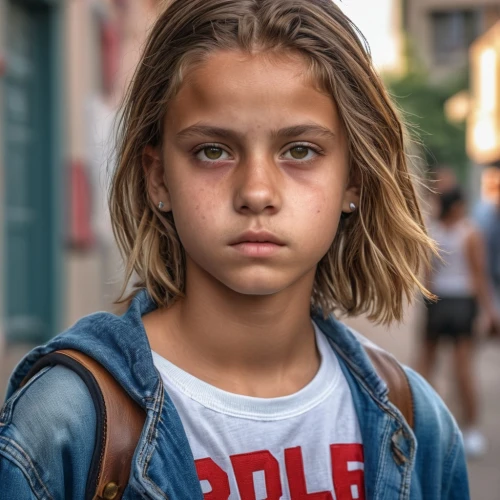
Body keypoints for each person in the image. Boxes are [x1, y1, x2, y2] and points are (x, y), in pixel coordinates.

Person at [0, 1, 468, 498]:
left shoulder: (416, 420)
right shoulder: (66, 424)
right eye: (213, 151)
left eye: (300, 150)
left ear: (352, 179)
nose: (257, 193)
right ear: (158, 177)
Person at [418, 185, 498, 459]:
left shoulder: (433, 231)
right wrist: (490, 311)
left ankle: (418, 421)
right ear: (458, 207)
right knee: (462, 368)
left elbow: (427, 274)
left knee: (426, 364)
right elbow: (480, 275)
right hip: (462, 302)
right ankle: (471, 428)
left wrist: (427, 303)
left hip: (437, 302)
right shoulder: (470, 233)